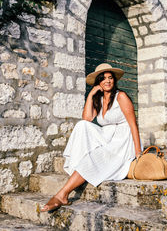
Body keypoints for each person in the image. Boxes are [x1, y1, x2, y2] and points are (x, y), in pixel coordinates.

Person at [41, 63, 142, 212]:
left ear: (114, 80)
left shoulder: (121, 96)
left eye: (110, 78)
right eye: (103, 78)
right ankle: (80, 168)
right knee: (82, 125)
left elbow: (133, 125)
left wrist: (138, 151)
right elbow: (87, 118)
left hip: (122, 140)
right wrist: (91, 95)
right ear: (98, 82)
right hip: (107, 135)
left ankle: (63, 194)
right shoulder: (99, 99)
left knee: (95, 157)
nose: (107, 81)